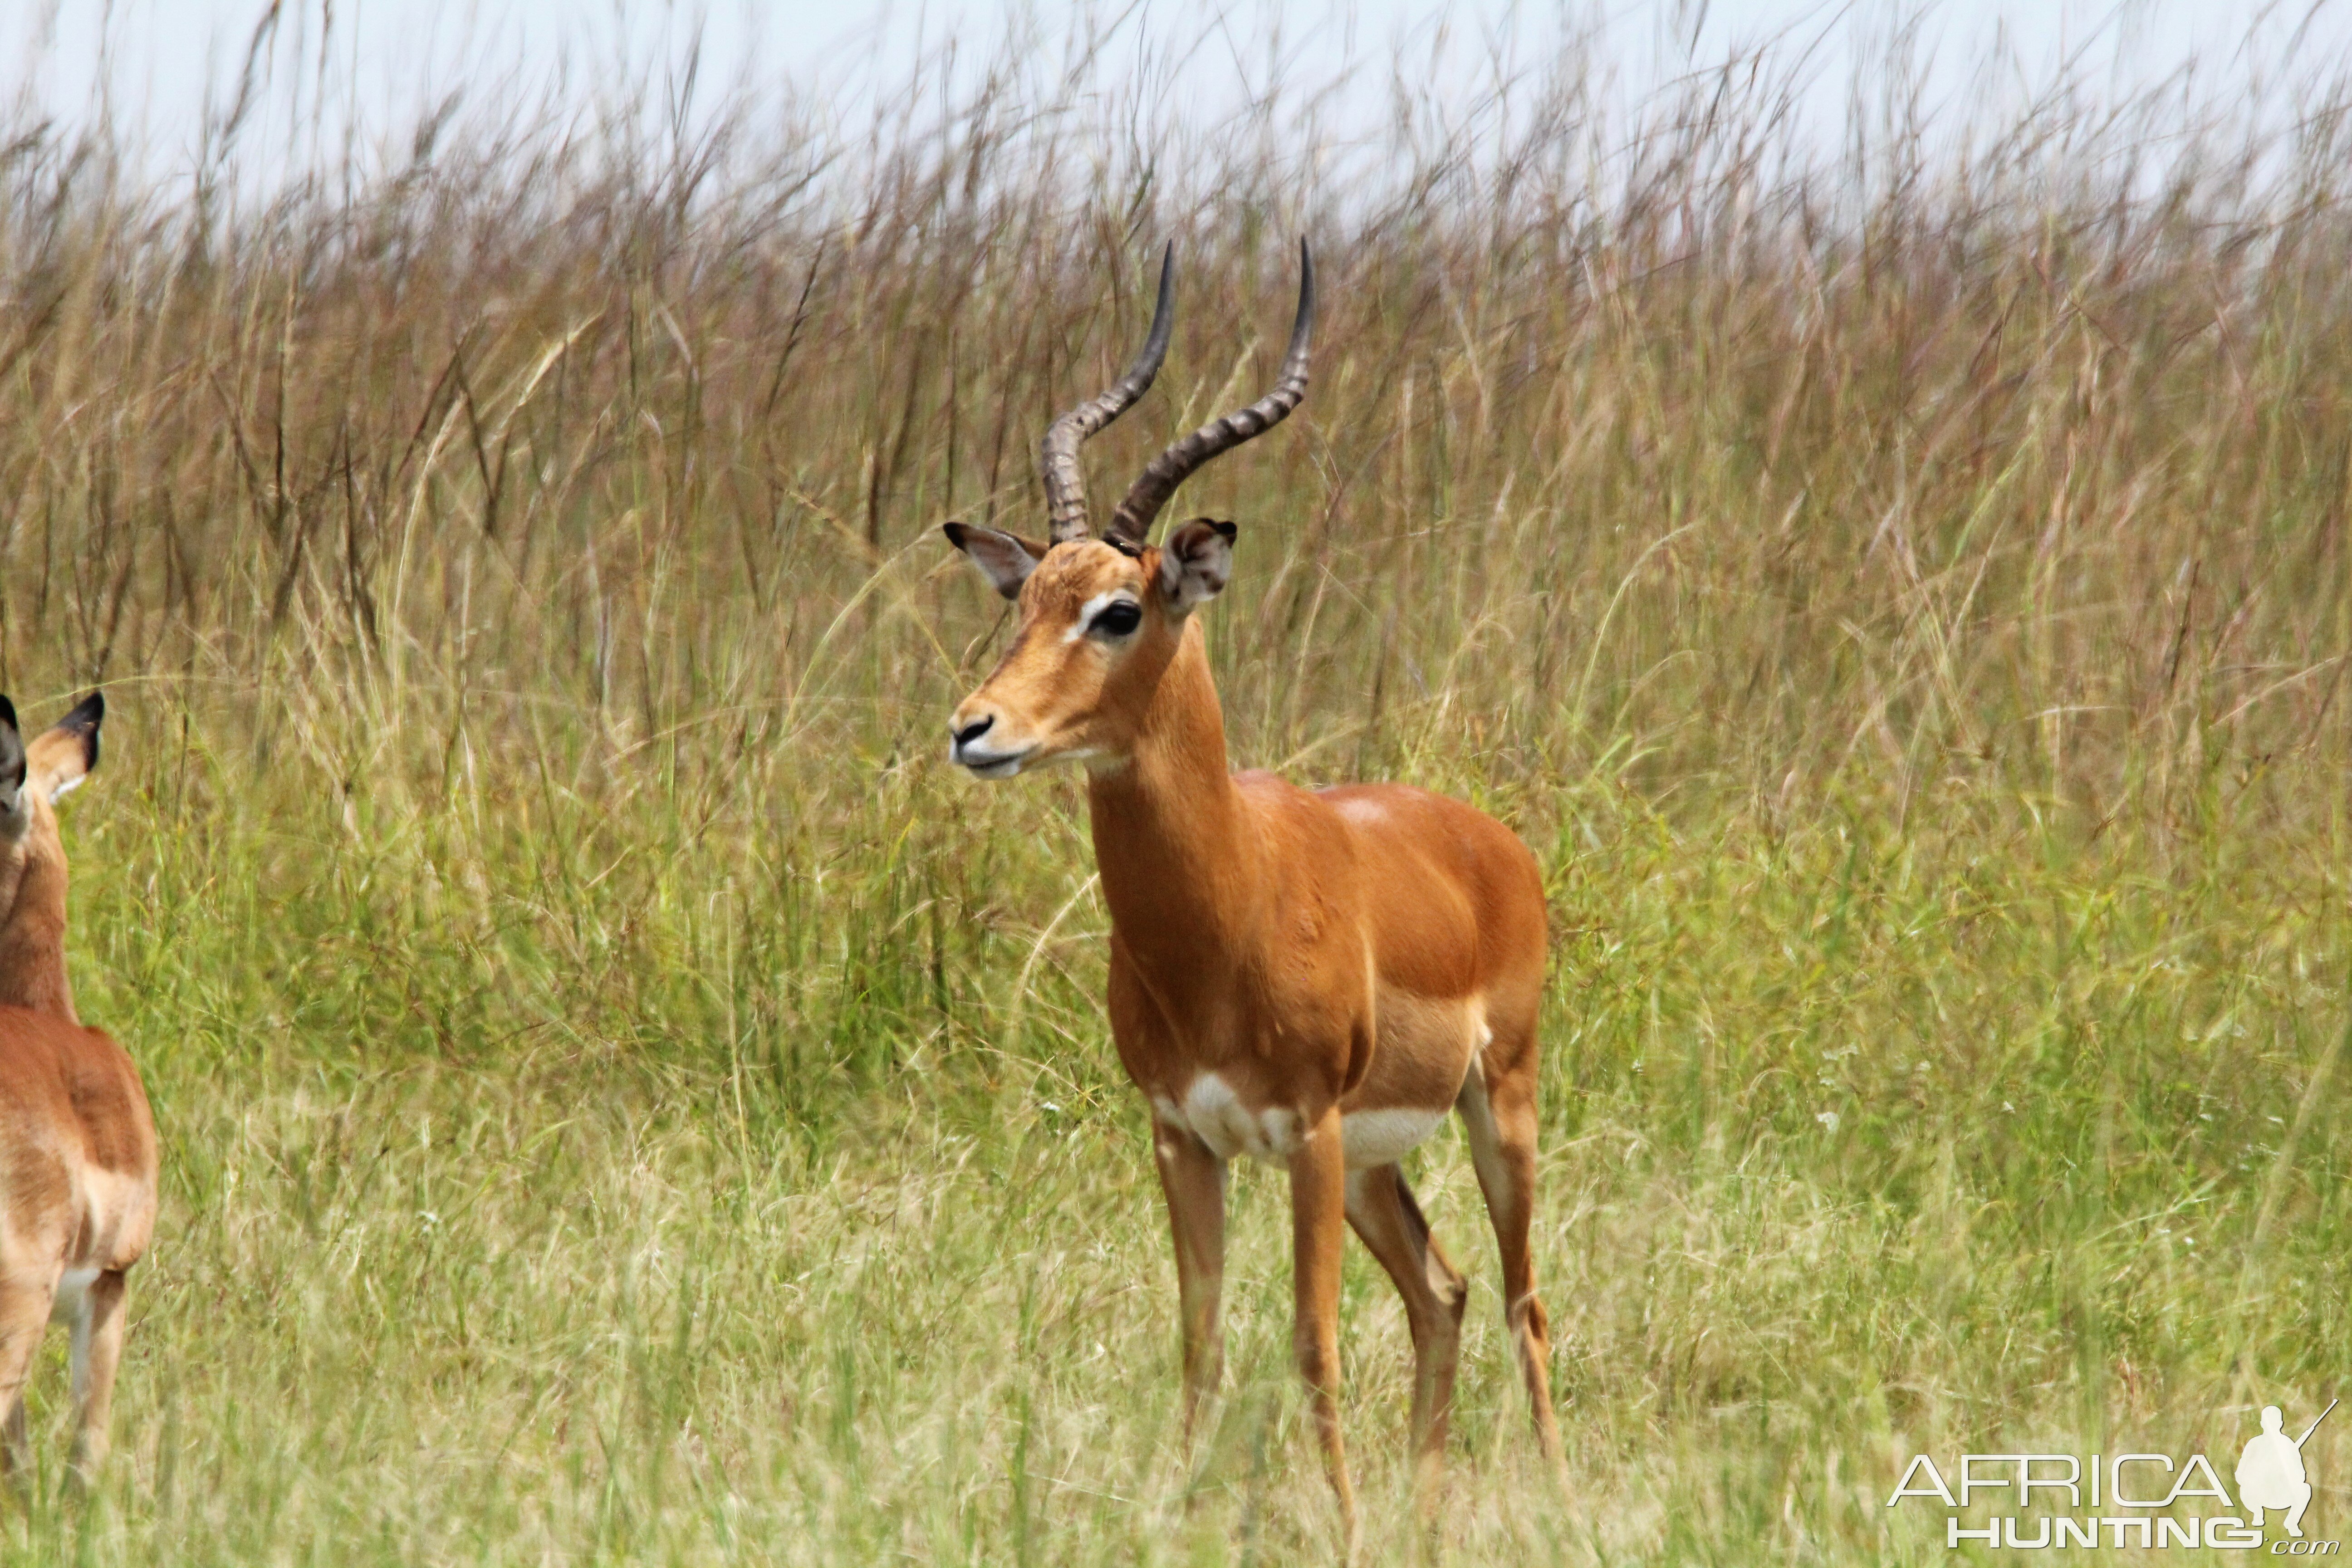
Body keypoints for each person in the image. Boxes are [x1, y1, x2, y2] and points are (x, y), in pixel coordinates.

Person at [2237, 1406, 2313, 1538]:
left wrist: (2284, 1473)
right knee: (2245, 1489)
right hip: (2258, 1495)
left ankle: (2292, 1522)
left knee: (2305, 1489)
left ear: (2281, 1424)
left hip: (2282, 1495)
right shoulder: (2254, 1444)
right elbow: (2240, 1474)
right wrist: (2260, 1476)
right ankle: (2258, 1513)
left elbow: (2301, 1476)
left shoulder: (2288, 1445)